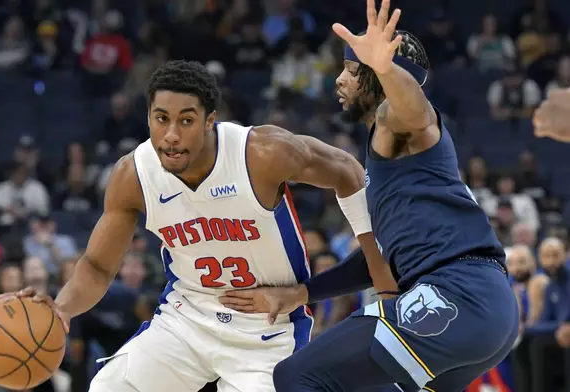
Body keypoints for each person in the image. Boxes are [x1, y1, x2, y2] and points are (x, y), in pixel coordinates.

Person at [0, 59, 396, 392]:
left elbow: (346, 170)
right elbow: (98, 267)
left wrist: (380, 276)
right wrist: (63, 309)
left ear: (209, 121)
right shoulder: (133, 176)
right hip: (186, 319)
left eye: (186, 120)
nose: (171, 135)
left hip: (267, 329)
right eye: (161, 119)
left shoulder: (261, 153)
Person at [220, 1, 519, 391]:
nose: (340, 80)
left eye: (352, 71)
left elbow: (414, 109)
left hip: (457, 295)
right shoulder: (394, 162)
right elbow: (378, 258)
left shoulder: (398, 124)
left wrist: (385, 67)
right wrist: (303, 293)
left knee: (296, 375)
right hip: (483, 310)